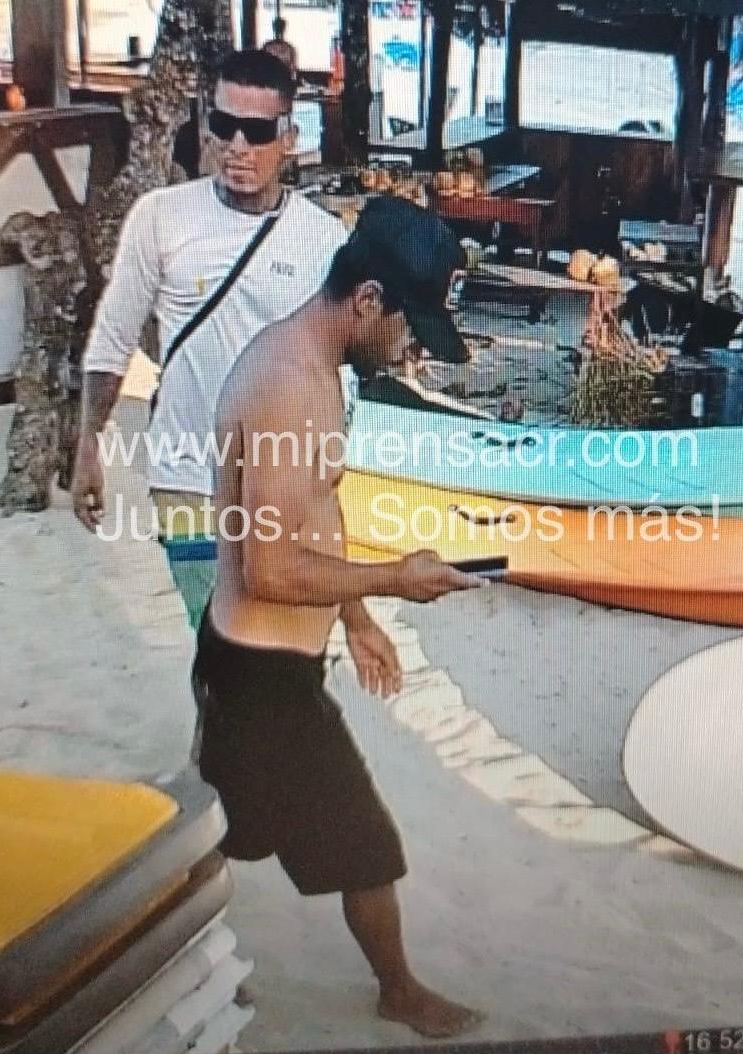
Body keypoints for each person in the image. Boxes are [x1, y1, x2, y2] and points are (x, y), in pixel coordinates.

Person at [195, 195, 483, 1039]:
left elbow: (313, 516)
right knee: (367, 847)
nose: (409, 350)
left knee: (216, 835)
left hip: (247, 663)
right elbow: (272, 567)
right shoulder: (291, 386)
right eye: (407, 328)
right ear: (366, 300)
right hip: (264, 678)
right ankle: (400, 991)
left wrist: (355, 617)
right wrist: (397, 578)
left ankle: (164, 956)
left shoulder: (313, 368)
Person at [72, 49, 348, 631]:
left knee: (284, 649)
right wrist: (88, 444)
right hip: (186, 477)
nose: (238, 146)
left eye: (258, 131)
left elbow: (337, 368)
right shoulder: (159, 218)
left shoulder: (323, 241)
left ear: (289, 138)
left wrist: (326, 473)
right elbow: (114, 335)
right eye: (224, 125)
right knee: (219, 640)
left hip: (283, 487)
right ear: (205, 126)